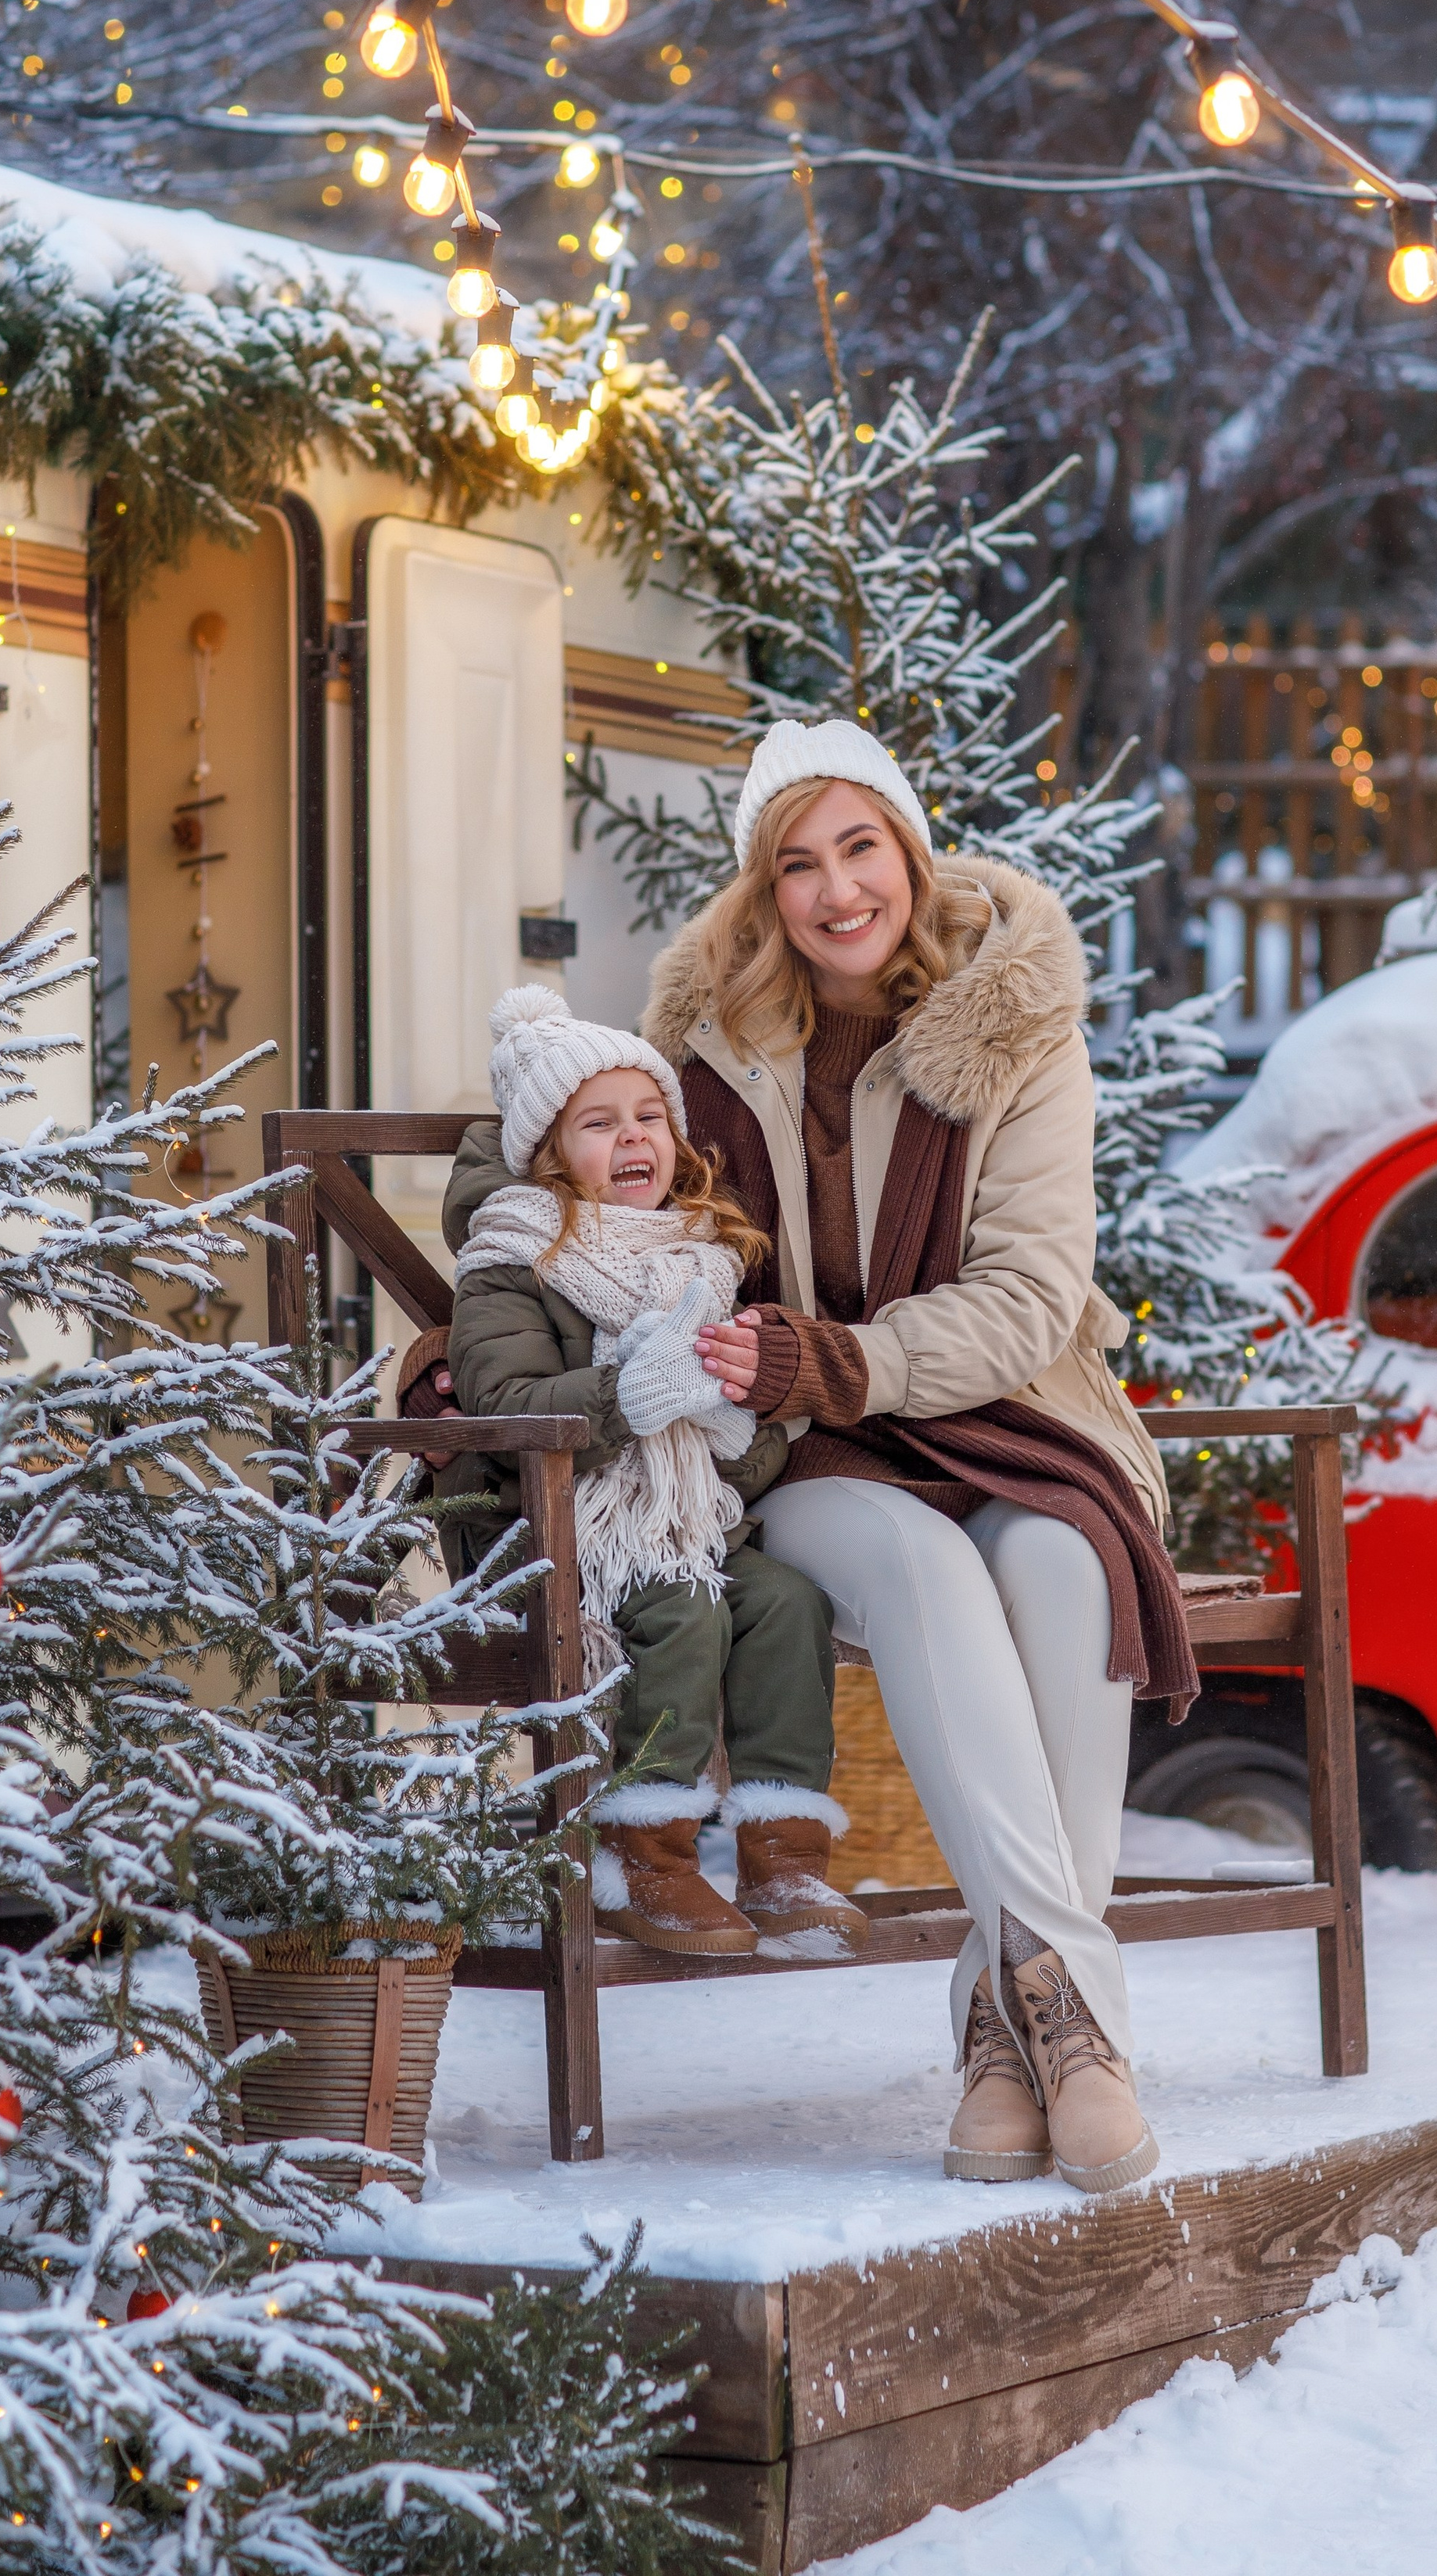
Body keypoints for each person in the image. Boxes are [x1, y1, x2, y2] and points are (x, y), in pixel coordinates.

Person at [644, 719, 1198, 2194]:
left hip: (1015, 1417)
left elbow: (1028, 1298)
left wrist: (853, 1353)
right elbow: (653, 1254)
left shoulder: (1016, 1020)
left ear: (909, 843)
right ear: (763, 891)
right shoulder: (703, 1049)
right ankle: (1076, 2019)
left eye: (860, 847)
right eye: (798, 864)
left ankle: (1005, 2043)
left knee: (1071, 1565)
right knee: (930, 1569)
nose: (837, 891)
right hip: (814, 1455)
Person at [426, 985, 868, 1962]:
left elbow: (746, 1469)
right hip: (540, 1529)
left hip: (686, 1524)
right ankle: (643, 1856)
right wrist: (632, 1390)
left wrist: (731, 1418)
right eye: (599, 1122)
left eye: (649, 1115)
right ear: (549, 1153)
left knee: (785, 1601)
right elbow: (506, 1408)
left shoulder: (698, 1259)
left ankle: (784, 1853)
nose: (635, 1137)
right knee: (679, 1606)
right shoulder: (513, 1259)